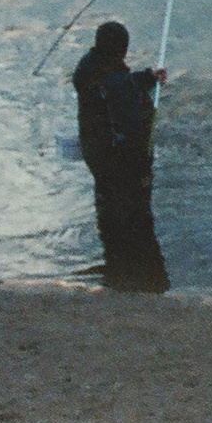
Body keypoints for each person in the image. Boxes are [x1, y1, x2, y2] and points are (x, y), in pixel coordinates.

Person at [72, 21, 168, 292]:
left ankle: (115, 263)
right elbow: (130, 121)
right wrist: (143, 163)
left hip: (95, 152)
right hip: (119, 158)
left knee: (108, 207)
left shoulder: (88, 68)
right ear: (123, 50)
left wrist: (147, 78)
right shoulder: (116, 83)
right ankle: (140, 275)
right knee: (136, 216)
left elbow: (118, 84)